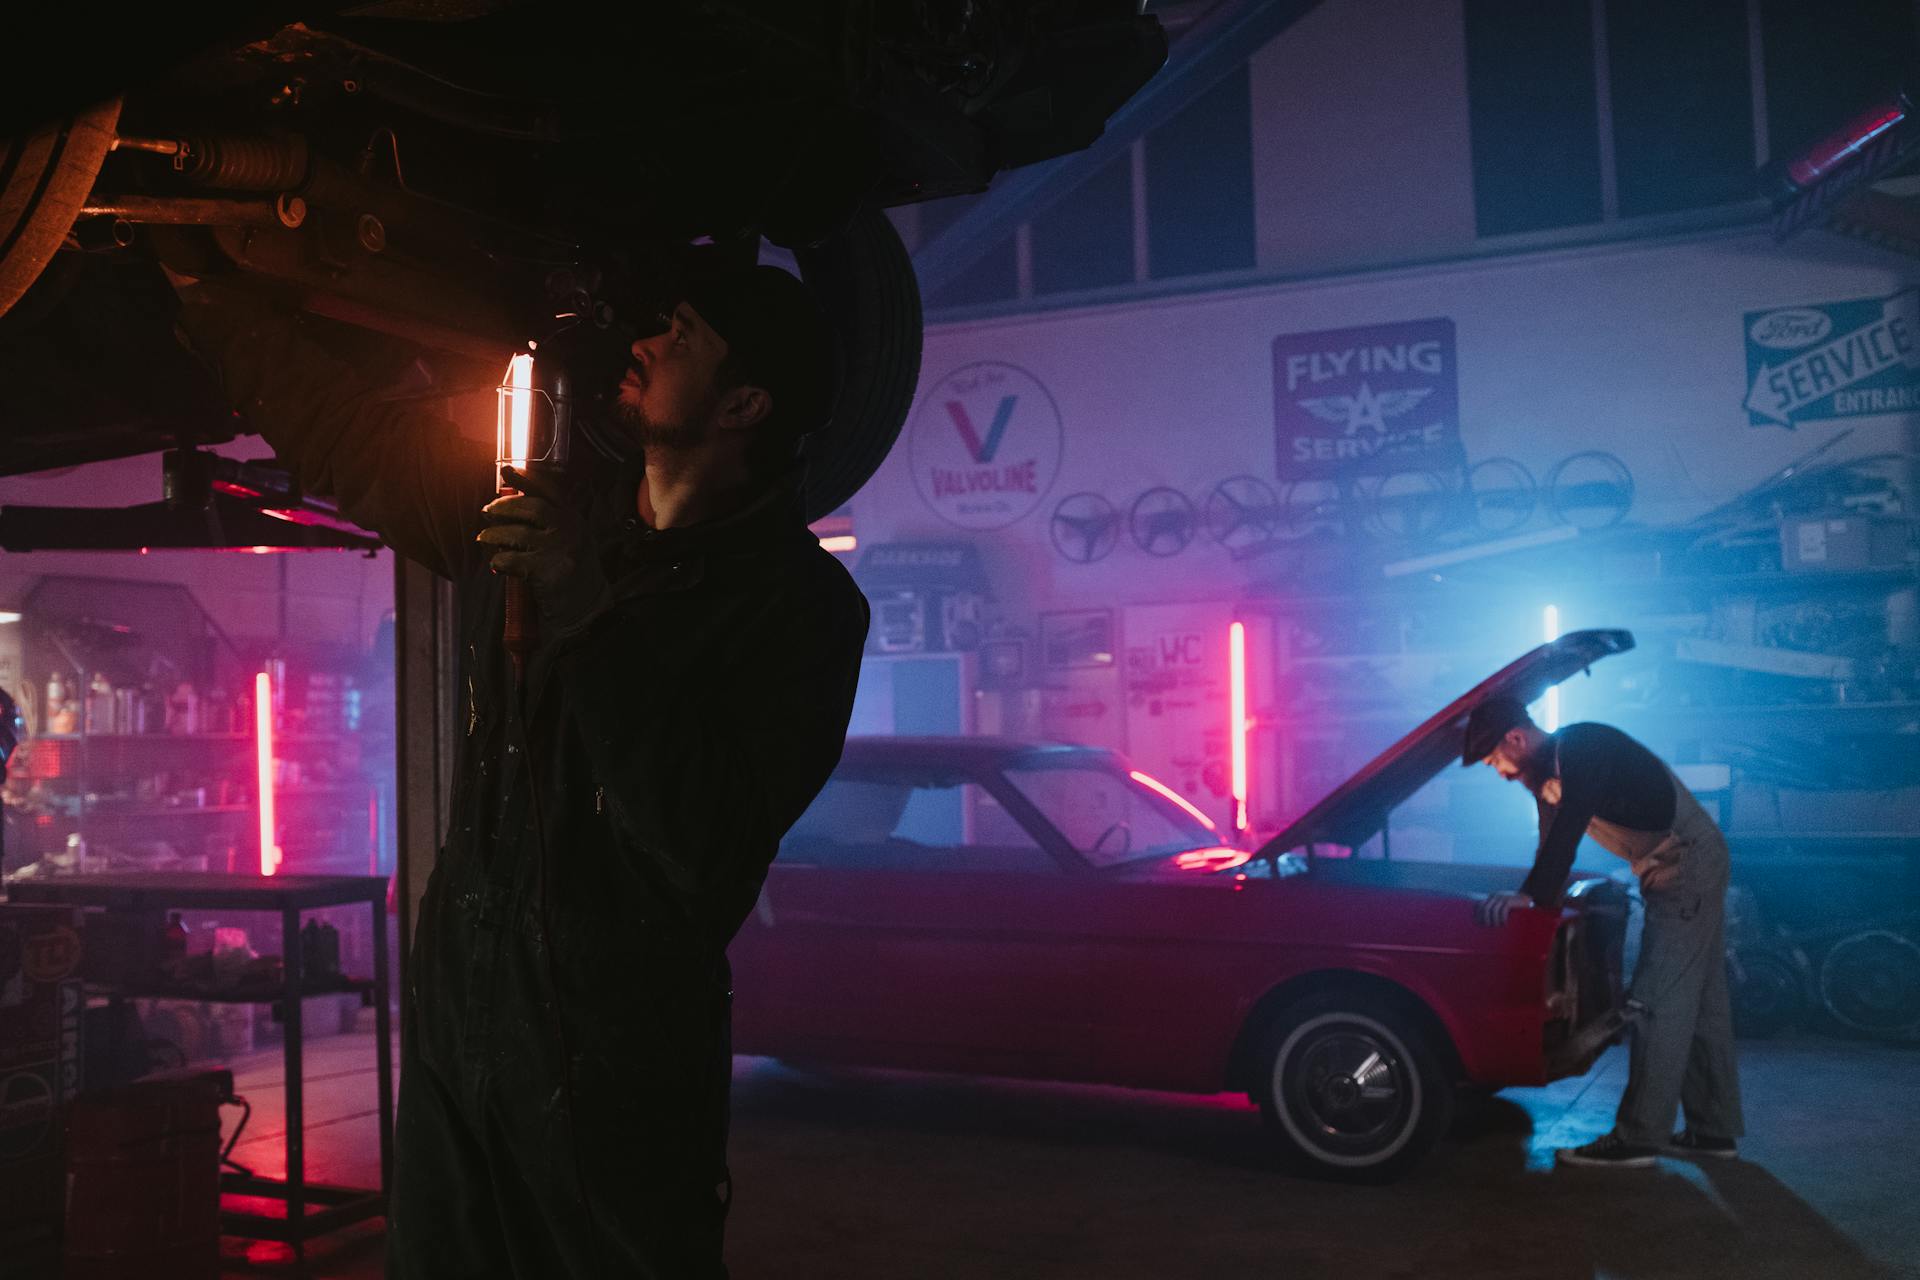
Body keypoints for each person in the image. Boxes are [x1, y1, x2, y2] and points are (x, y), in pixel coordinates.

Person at [168, 256, 870, 1276]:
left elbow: (707, 840)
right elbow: (357, 442)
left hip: (616, 1069)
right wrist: (212, 301)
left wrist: (584, 607)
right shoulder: (556, 517)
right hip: (465, 1027)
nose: (643, 343)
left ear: (746, 404)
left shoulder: (799, 610)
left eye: (681, 337)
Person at [1463, 696, 1743, 1169]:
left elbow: (1569, 830)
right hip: (1676, 867)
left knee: (1656, 1003)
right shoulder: (1547, 780)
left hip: (1685, 866)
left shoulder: (1582, 745)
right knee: (1703, 1004)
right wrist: (1538, 900)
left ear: (1516, 738)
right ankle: (1712, 1131)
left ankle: (1638, 1138)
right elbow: (1552, 847)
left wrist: (1530, 895)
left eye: (1495, 759)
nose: (1500, 772)